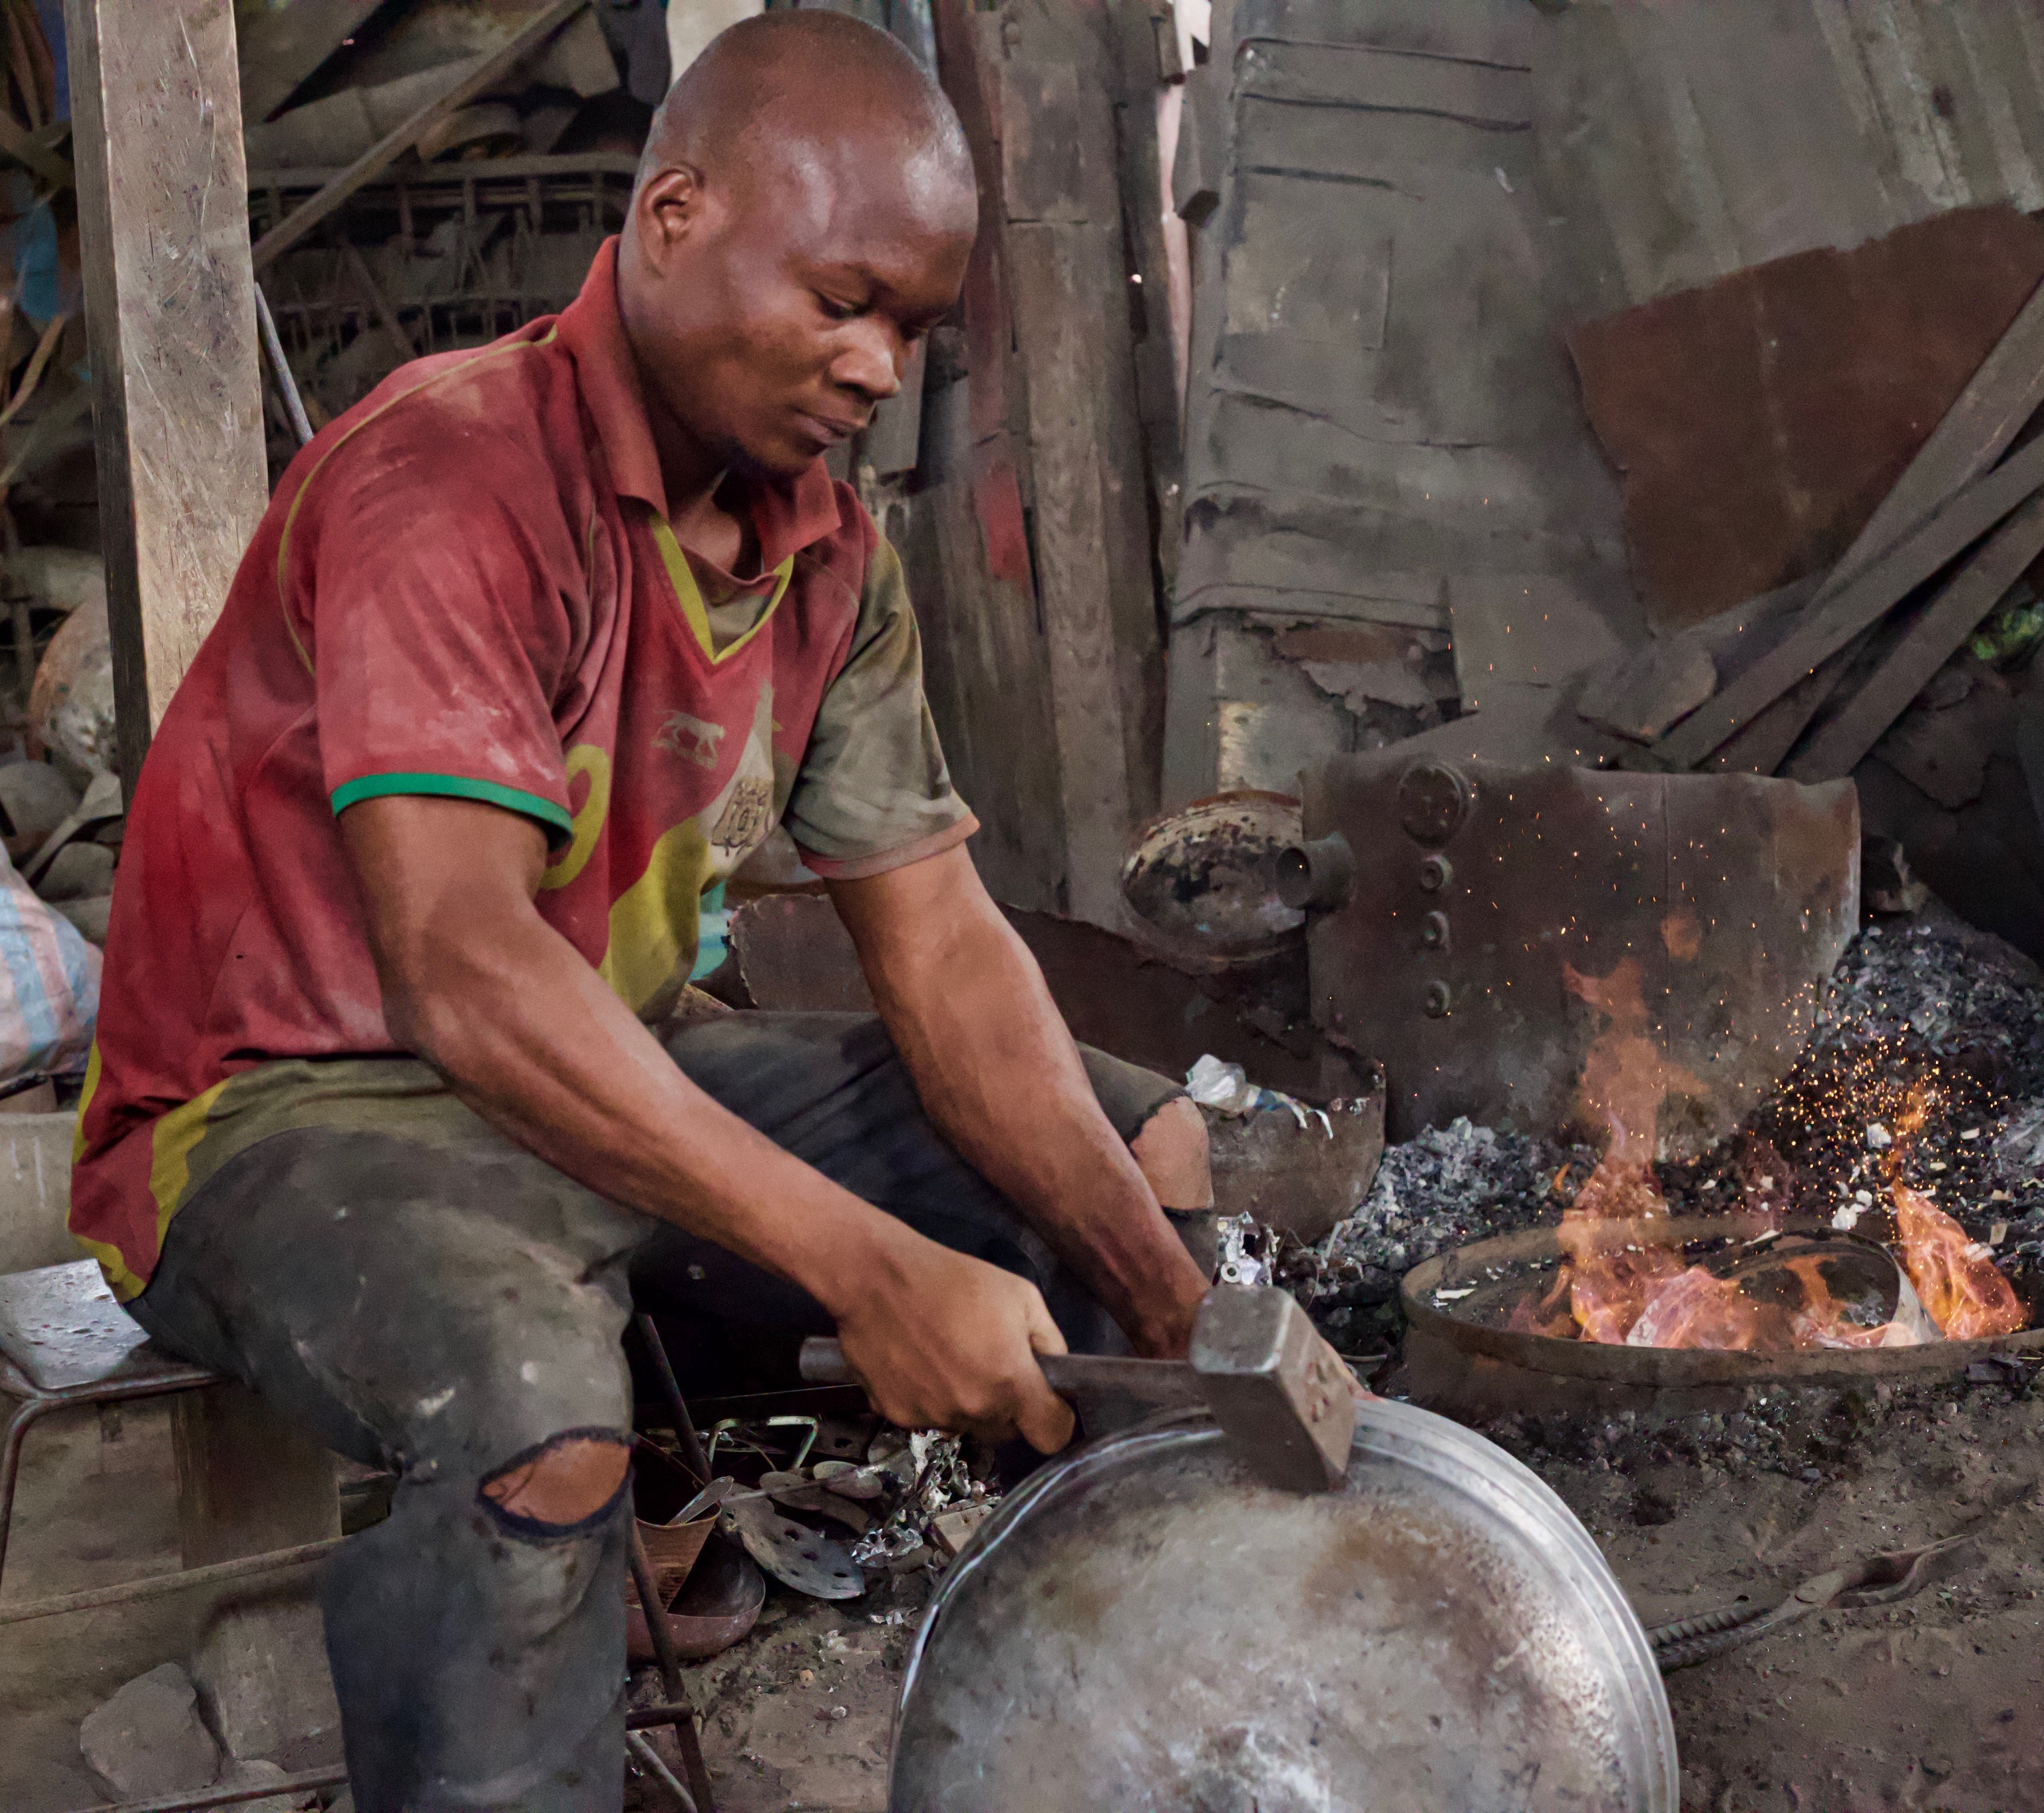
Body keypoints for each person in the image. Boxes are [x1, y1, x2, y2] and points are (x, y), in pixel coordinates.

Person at [69, 12, 1215, 1808]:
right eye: (843, 297)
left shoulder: (830, 552)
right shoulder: (450, 475)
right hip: (292, 1109)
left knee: (1141, 1152)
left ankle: (1120, 1714)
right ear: (672, 216)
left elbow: (944, 943)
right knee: (539, 1410)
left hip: (612, 1075)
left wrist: (1174, 1309)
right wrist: (867, 1264)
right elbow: (460, 966)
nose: (877, 367)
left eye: (911, 328)